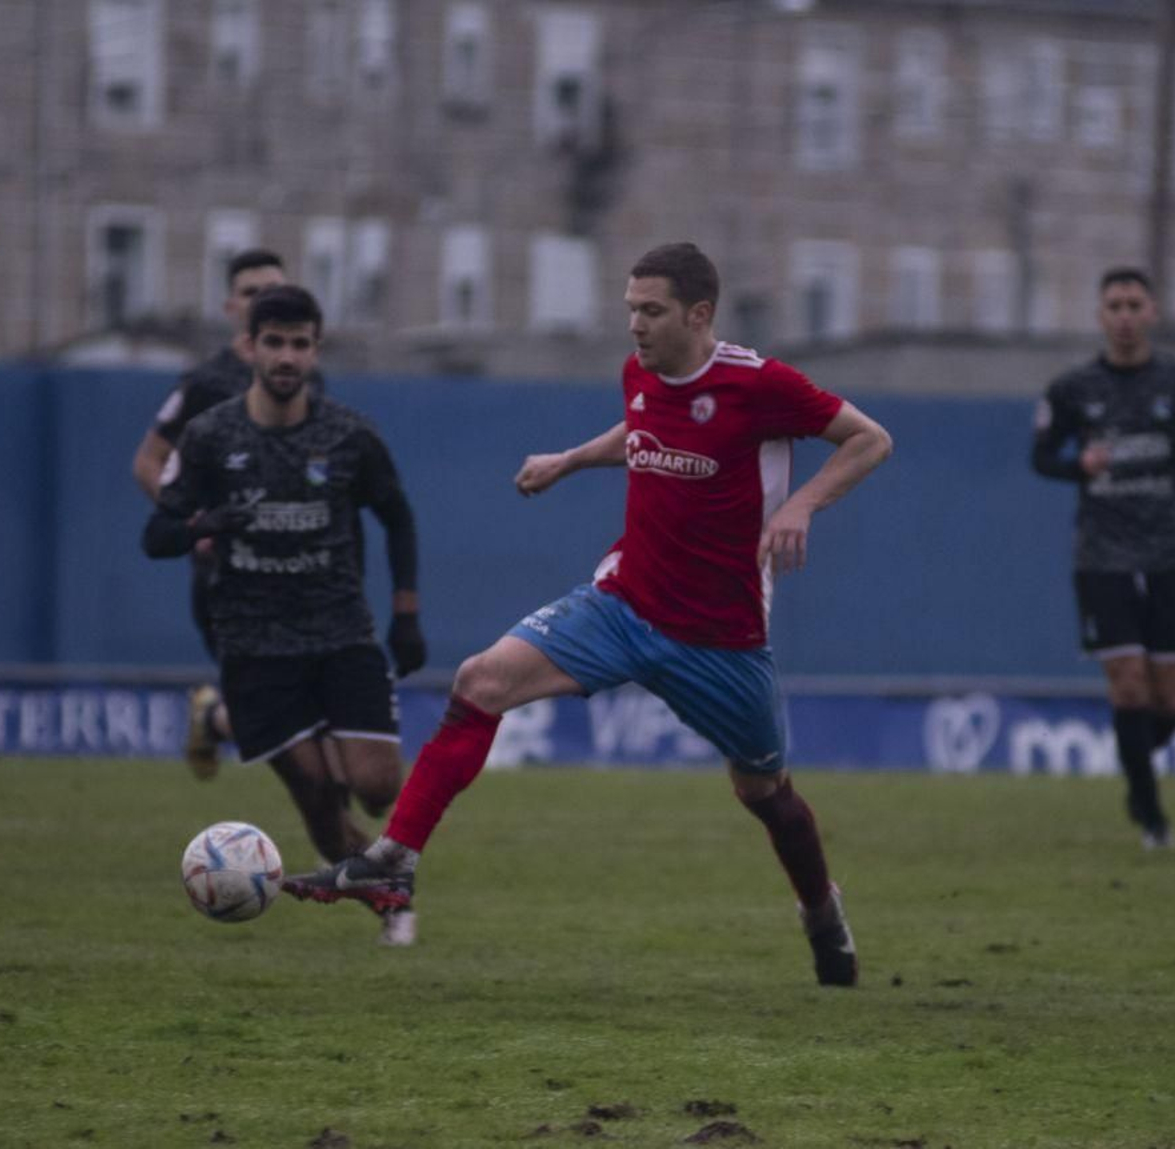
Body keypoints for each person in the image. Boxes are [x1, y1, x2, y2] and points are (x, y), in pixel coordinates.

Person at [283, 242, 892, 986]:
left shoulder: (759, 384)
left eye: (652, 310)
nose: (634, 325)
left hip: (722, 640)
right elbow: (641, 433)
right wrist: (570, 459)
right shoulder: (640, 371)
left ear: (699, 314)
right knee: (481, 681)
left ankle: (821, 911)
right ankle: (393, 861)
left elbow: (869, 438)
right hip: (623, 604)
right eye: (630, 308)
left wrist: (801, 504)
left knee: (764, 793)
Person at [142, 284, 427, 946]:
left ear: (315, 348)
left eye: (300, 343)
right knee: (318, 797)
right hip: (255, 641)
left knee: (378, 788)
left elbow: (398, 515)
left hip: (341, 629)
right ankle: (388, 904)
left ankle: (216, 717)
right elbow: (155, 535)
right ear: (250, 346)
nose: (287, 356)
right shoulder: (211, 435)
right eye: (275, 342)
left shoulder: (348, 433)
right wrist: (204, 522)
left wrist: (406, 612)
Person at [1032, 267, 1175, 849]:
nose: (1125, 316)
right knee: (1128, 686)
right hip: (1103, 555)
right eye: (1114, 305)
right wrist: (1075, 466)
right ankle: (1151, 812)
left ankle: (1134, 761)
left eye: (1135, 304)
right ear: (1100, 316)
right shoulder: (1073, 388)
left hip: (1171, 550)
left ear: (1153, 313)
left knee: (1169, 702)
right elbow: (1041, 456)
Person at [131, 249, 323, 779]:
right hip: (228, 576)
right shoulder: (207, 382)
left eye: (274, 288)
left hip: (300, 571)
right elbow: (149, 461)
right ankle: (219, 718)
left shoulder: (308, 378)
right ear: (229, 307)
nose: (265, 300)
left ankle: (215, 717)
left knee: (313, 699)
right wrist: (195, 526)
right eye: (252, 292)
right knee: (276, 708)